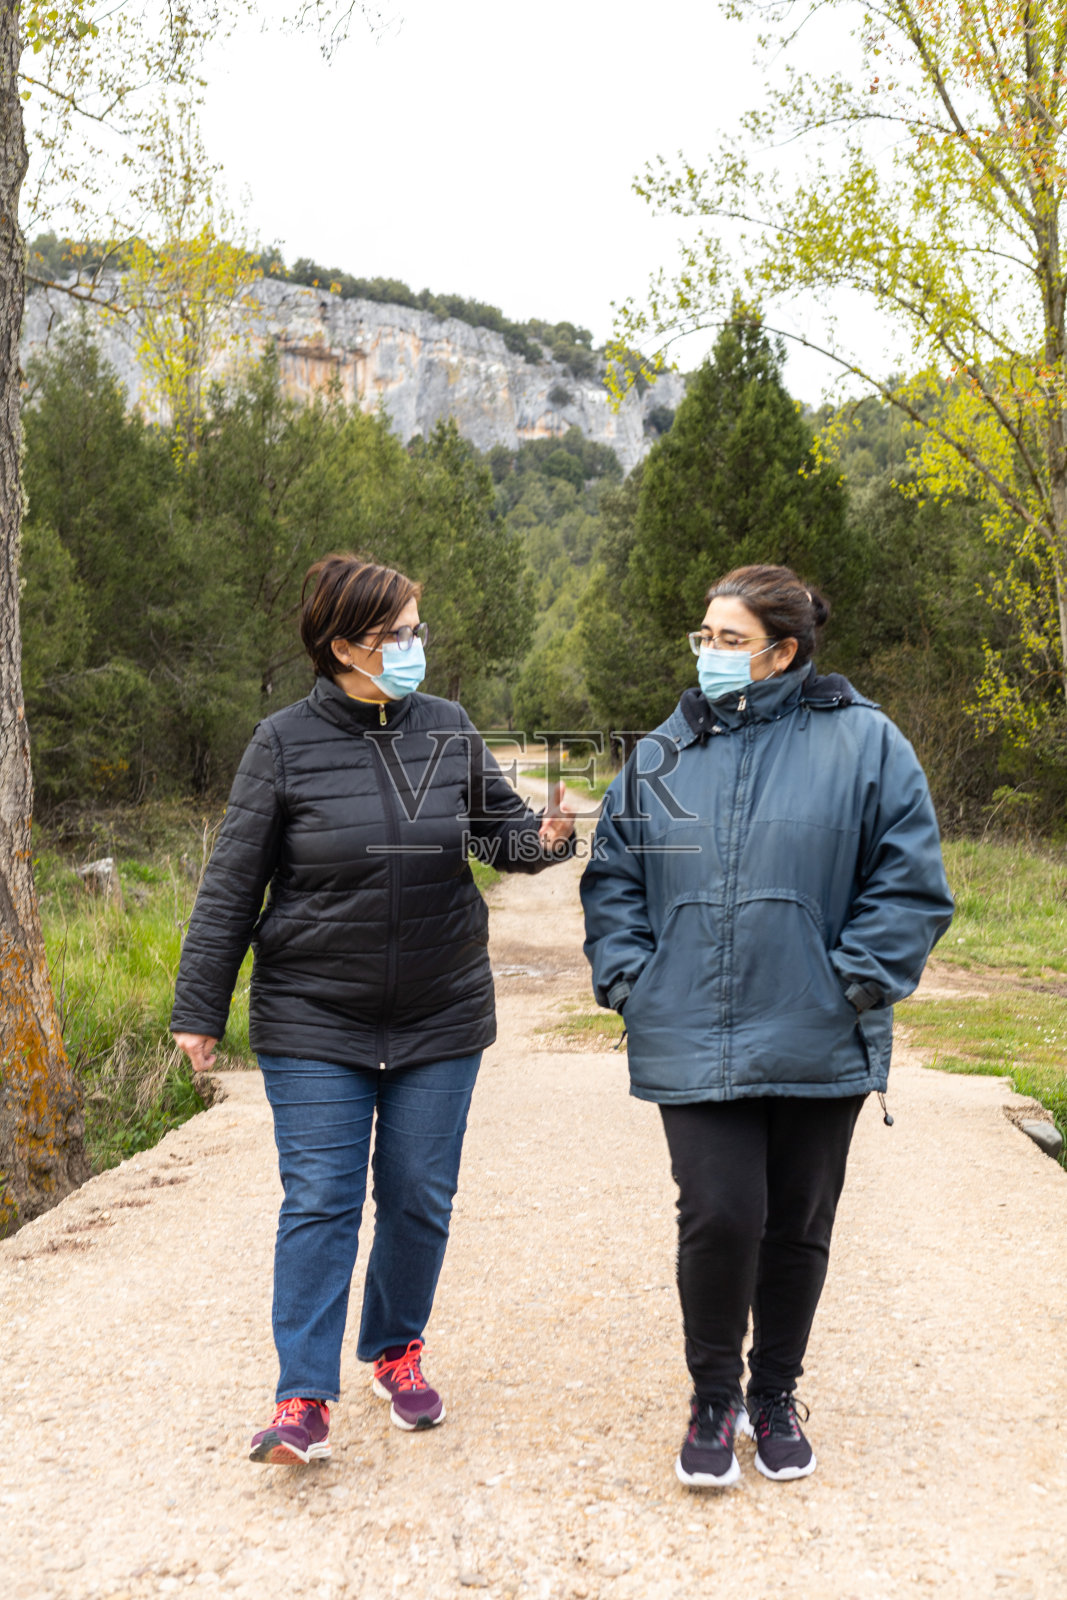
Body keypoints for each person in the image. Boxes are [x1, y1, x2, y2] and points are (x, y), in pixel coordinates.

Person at [172, 553, 575, 1466]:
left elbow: (499, 837)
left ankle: (396, 1350)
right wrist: (200, 1009)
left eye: (415, 630)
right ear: (343, 644)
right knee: (319, 1201)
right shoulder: (280, 744)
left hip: (440, 1012)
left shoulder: (447, 729)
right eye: (397, 633)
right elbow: (232, 886)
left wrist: (545, 838)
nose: (414, 646)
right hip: (314, 1015)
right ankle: (301, 1397)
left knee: (418, 1199)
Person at [580, 564, 953, 1490]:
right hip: (688, 1029)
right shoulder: (663, 752)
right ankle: (714, 1398)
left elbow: (908, 882)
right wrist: (633, 979)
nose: (708, 654)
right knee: (719, 1214)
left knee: (796, 1225)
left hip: (819, 1027)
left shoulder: (867, 744)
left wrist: (853, 984)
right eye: (701, 637)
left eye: (729, 640)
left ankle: (775, 1393)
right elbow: (613, 875)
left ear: (782, 652)